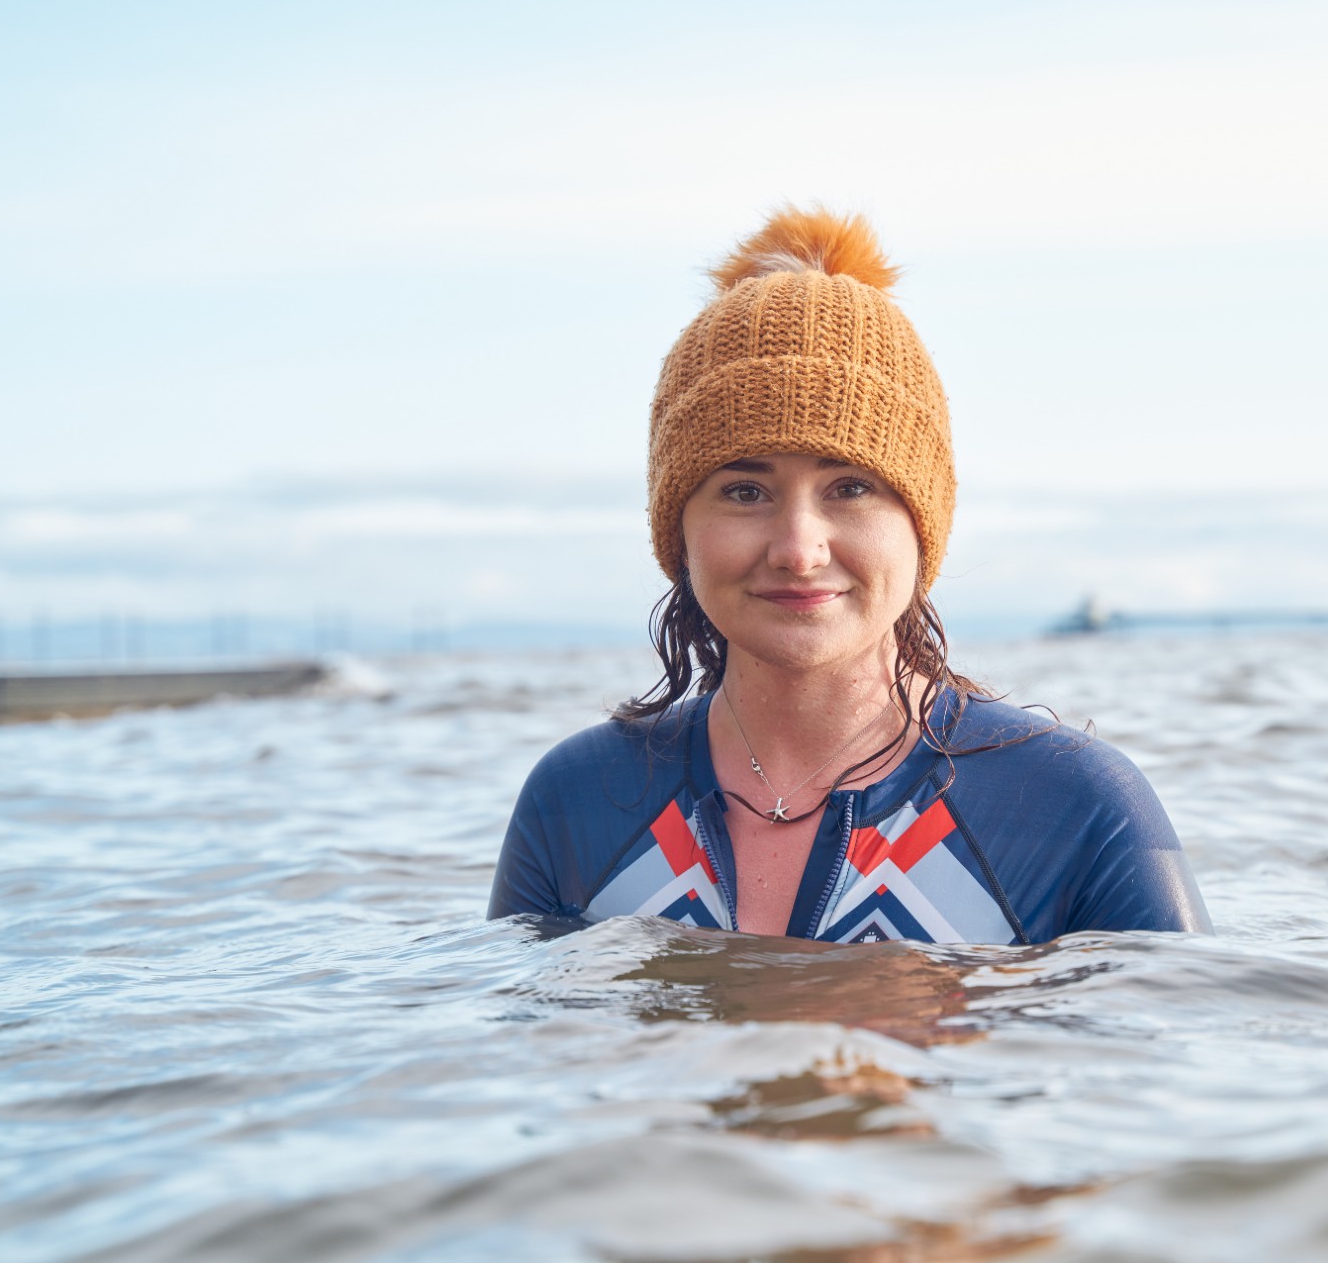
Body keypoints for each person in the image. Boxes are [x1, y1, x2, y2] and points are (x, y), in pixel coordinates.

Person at [488, 206, 1211, 943]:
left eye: (850, 488)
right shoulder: (576, 804)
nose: (799, 549)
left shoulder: (1075, 809)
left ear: (922, 523)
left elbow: (1176, 1051)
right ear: (677, 527)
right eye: (745, 491)